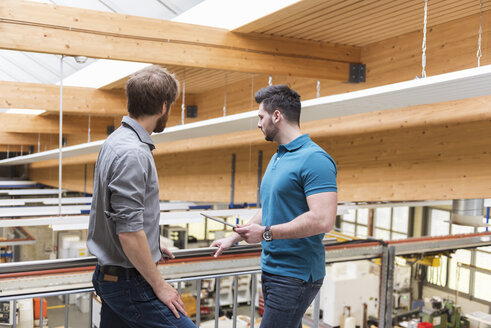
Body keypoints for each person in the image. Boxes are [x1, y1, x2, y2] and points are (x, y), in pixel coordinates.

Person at [211, 84, 338, 328]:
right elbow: (268, 210)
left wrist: (267, 233)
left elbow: (323, 220)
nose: (259, 123)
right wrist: (233, 238)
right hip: (272, 268)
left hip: (296, 274)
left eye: (261, 117)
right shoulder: (279, 156)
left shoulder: (315, 159)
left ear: (276, 116)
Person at [87, 65, 196, 328]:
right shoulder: (133, 153)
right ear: (163, 106)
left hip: (113, 278)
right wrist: (161, 286)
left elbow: (118, 215)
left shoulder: (114, 142)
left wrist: (150, 243)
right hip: (129, 284)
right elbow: (127, 231)